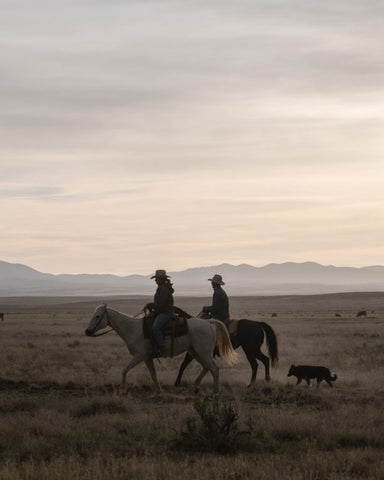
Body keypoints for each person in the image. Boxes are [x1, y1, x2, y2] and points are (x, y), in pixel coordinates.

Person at [145, 269, 174, 355]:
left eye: (157, 279)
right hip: (161, 312)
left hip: (165, 313)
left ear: (161, 279)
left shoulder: (164, 289)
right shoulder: (162, 288)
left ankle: (161, 347)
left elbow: (161, 304)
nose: (155, 280)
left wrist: (150, 305)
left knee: (155, 327)